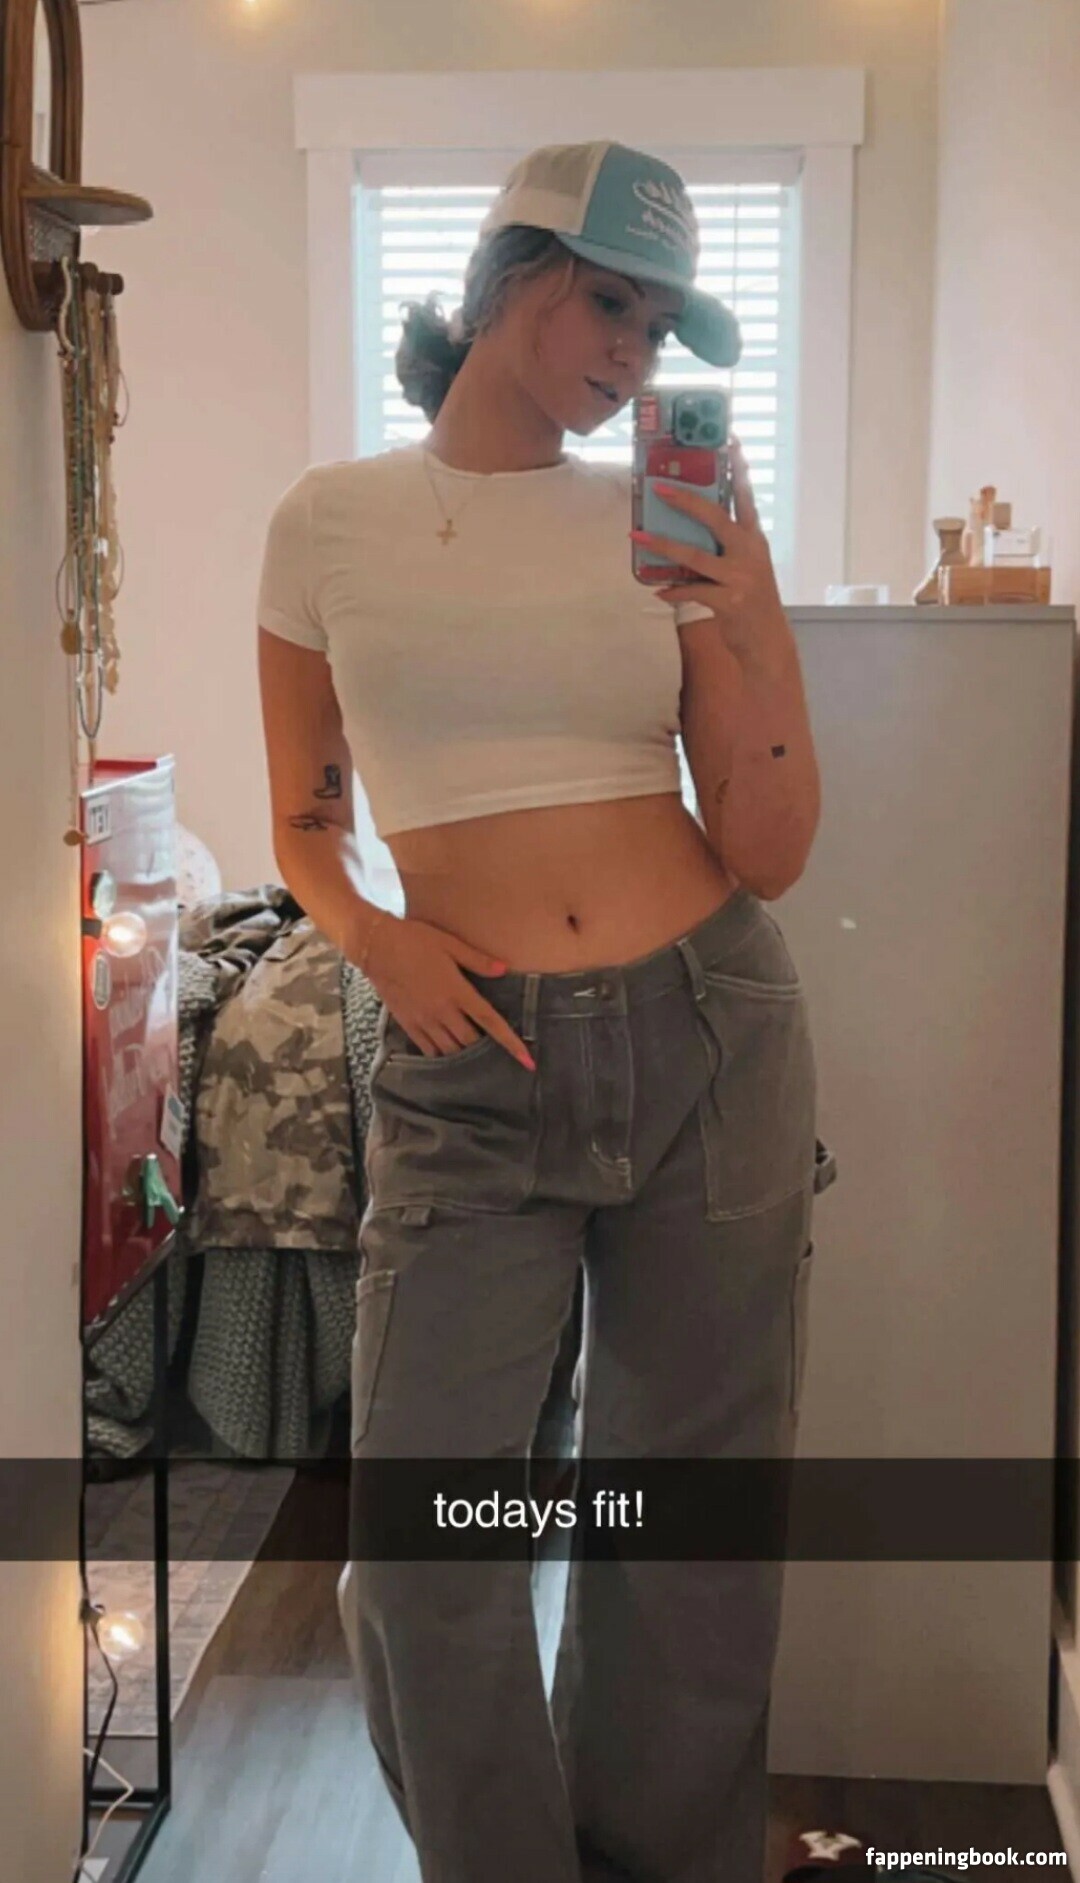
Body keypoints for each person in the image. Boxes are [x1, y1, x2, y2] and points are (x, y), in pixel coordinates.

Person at [257, 139, 821, 1883]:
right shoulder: (328, 520)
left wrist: (740, 615)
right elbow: (302, 823)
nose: (633, 356)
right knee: (418, 1556)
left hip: (706, 1027)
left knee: (687, 1530)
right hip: (468, 1055)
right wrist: (377, 941)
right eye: (608, 305)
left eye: (661, 331)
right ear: (505, 279)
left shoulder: (670, 518)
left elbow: (773, 846)